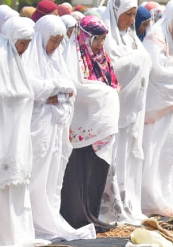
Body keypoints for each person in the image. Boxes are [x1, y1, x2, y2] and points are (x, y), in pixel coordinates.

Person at [24, 15, 95, 241]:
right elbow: (32, 87)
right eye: (52, 40)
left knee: (53, 175)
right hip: (39, 128)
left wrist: (56, 92)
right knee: (37, 174)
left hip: (56, 127)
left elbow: (69, 88)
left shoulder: (56, 59)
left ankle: (50, 218)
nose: (55, 46)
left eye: (58, 41)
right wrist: (52, 91)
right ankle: (34, 222)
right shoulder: (30, 57)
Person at [0, 17, 39, 246]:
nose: (25, 48)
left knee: (16, 184)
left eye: (27, 43)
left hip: (17, 136)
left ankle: (19, 234)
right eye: (22, 43)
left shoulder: (16, 59)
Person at [59, 16, 119, 233]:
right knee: (79, 171)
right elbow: (76, 85)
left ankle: (92, 214)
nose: (100, 44)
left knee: (96, 170)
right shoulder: (73, 55)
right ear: (85, 36)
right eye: (97, 39)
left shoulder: (100, 57)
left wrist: (107, 92)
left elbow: (112, 81)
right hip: (81, 122)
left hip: (98, 123)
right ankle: (77, 216)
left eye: (103, 39)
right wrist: (103, 92)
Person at [140, 0, 173, 214]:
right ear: (172, 20)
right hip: (158, 107)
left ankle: (168, 198)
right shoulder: (155, 37)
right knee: (156, 151)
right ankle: (152, 200)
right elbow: (158, 72)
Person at [101, 0, 151, 224]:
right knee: (114, 157)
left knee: (129, 156)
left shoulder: (131, 37)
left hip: (133, 109)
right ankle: (112, 206)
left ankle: (129, 201)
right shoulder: (107, 37)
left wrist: (138, 61)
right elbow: (110, 70)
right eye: (128, 15)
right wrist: (137, 62)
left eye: (133, 15)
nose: (132, 20)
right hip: (116, 109)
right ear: (115, 13)